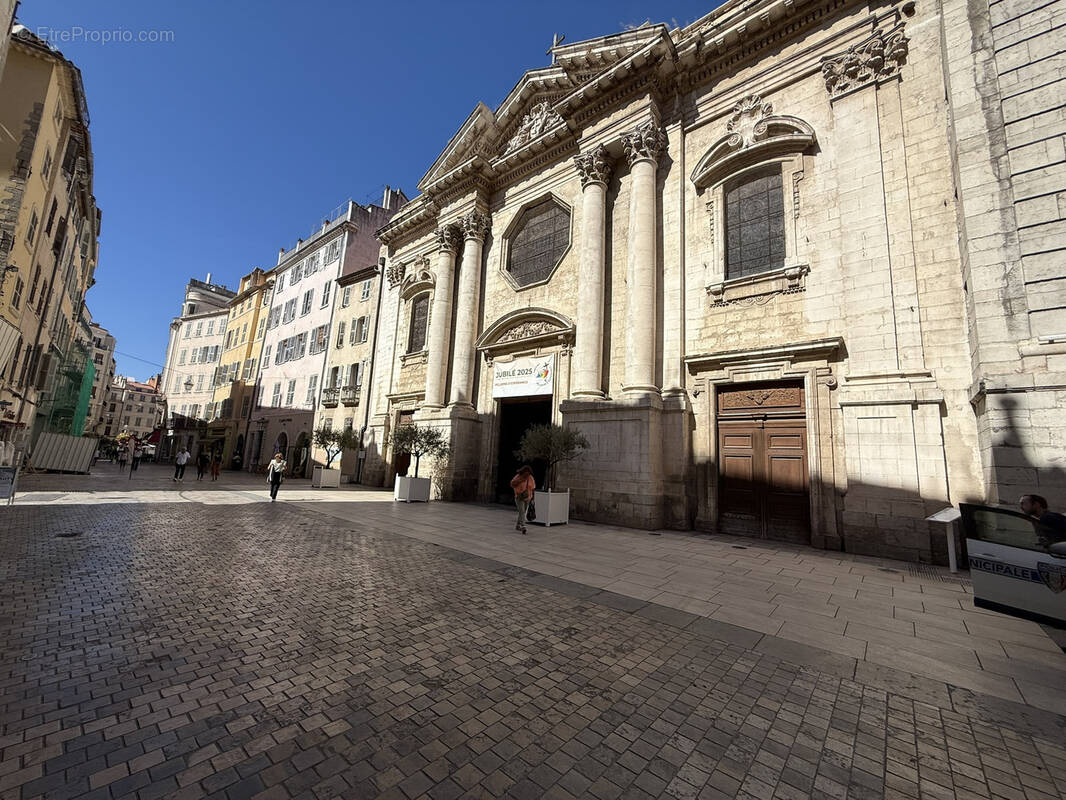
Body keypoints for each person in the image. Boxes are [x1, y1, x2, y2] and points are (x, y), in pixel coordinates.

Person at [509, 465, 536, 535]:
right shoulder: (518, 476)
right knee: (521, 511)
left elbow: (533, 488)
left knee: (522, 512)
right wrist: (520, 480)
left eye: (528, 473)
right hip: (519, 497)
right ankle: (523, 526)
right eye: (526, 473)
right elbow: (512, 484)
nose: (527, 475)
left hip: (528, 497)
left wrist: (533, 498)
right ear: (523, 472)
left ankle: (518, 525)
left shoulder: (530, 478)